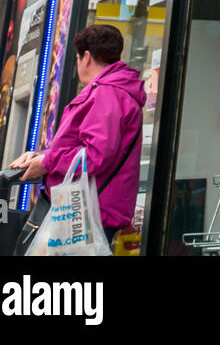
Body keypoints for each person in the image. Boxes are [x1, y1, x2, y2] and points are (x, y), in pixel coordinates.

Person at [11, 23, 146, 250]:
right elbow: (85, 149)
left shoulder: (107, 93)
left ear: (86, 57)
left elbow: (95, 156)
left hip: (86, 213)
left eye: (77, 57)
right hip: (88, 209)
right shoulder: (113, 91)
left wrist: (47, 161)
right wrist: (41, 156)